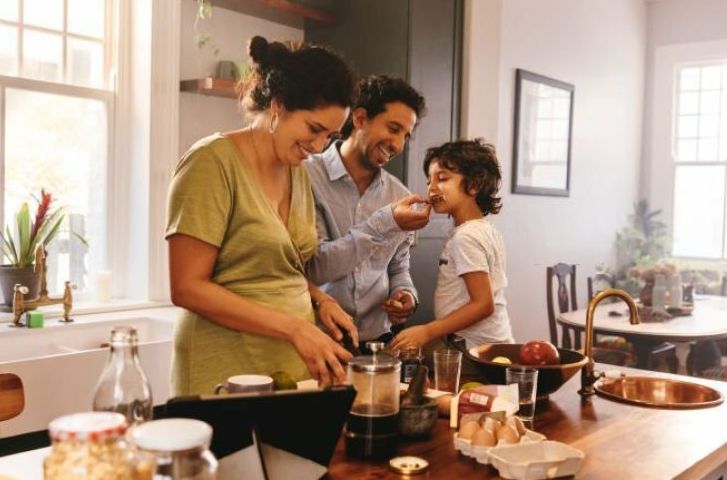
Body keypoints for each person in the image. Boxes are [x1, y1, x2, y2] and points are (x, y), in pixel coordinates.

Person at [166, 36, 359, 395]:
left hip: (289, 369)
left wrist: (320, 299)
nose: (318, 147)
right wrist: (295, 328)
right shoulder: (210, 162)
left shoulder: (297, 170)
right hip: (224, 370)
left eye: (330, 136)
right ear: (278, 105)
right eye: (314, 129)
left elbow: (275, 267)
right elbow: (186, 287)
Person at [306, 75, 431, 351]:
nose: (398, 145)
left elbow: (398, 267)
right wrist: (384, 222)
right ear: (360, 118)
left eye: (405, 136)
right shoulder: (306, 177)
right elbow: (315, 268)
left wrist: (405, 294)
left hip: (378, 344)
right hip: (320, 341)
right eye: (393, 128)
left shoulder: (399, 195)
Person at [389, 139, 513, 355]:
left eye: (442, 178)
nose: (432, 187)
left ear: (474, 185)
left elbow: (484, 304)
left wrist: (427, 332)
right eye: (429, 180)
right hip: (482, 345)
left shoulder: (467, 236)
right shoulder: (482, 229)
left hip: (471, 349)